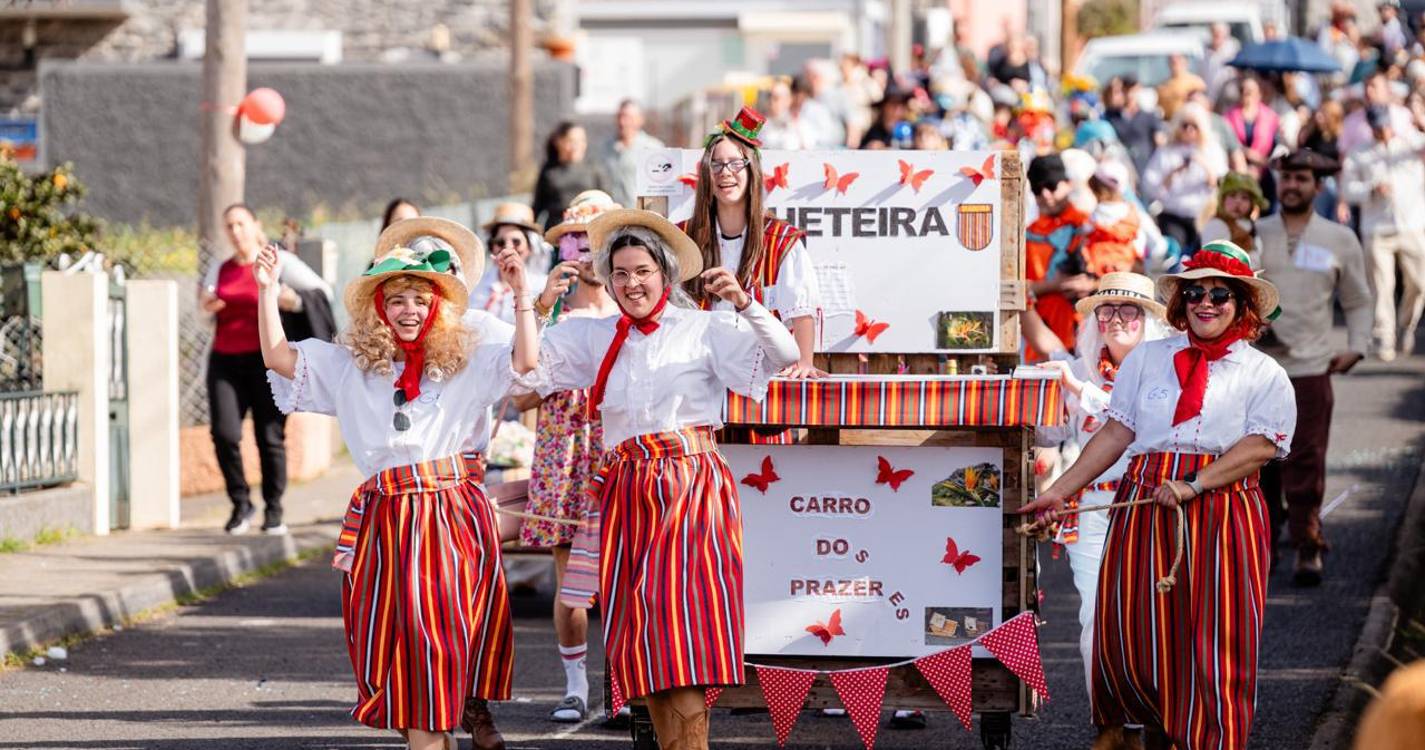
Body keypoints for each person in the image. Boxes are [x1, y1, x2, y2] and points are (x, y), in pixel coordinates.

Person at [513, 209, 799, 749]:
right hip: (627, 493)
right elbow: (524, 370)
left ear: (664, 273)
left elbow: (783, 355)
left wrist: (742, 302)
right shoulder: (593, 334)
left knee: (684, 642)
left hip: (690, 489)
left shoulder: (705, 327)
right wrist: (536, 302)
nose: (631, 283)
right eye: (619, 273)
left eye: (641, 271)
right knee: (647, 646)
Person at [258, 218, 537, 750]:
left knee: (440, 638)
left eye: (418, 298)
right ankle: (431, 735)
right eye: (397, 299)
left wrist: (524, 296)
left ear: (437, 307)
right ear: (379, 308)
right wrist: (267, 292)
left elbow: (526, 363)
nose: (408, 310)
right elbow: (278, 356)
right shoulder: (350, 366)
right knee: (400, 641)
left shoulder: (466, 358)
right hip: (386, 518)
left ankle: (441, 728)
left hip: (448, 510)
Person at [1021, 240, 1296, 750]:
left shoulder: (1264, 373)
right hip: (1146, 504)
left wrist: (1195, 484)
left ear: (1241, 306)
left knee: (1217, 634)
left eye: (1220, 293)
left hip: (1223, 509)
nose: (1205, 303)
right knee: (1135, 633)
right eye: (1195, 292)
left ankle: (1211, 739)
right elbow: (1114, 434)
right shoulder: (1148, 359)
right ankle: (1152, 731)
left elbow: (1260, 446)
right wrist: (1057, 492)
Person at [1035, 273, 1170, 693]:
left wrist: (1078, 389)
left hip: (1147, 508)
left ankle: (1152, 714)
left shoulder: (1165, 371)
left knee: (1150, 614)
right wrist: (1026, 402)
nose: (1115, 318)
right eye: (1106, 309)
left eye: (1128, 310)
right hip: (1091, 510)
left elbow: (1138, 425)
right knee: (1096, 614)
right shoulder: (1079, 369)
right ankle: (1109, 720)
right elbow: (1050, 435)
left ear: (1147, 319)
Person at [521, 190, 623, 724]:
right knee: (572, 582)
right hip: (563, 448)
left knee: (625, 577)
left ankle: (625, 687)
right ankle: (575, 685)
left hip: (615, 446)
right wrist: (539, 314)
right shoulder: (552, 310)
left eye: (594, 238)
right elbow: (519, 394)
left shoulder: (632, 300)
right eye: (577, 240)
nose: (585, 251)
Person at [1256, 149, 1373, 585]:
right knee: (1258, 463)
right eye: (1285, 178)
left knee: (1305, 459)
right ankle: (1264, 545)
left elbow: (1358, 299)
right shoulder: (1254, 230)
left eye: (1301, 179)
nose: (1291, 186)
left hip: (1310, 365)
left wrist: (1357, 346)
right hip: (1256, 368)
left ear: (1316, 185)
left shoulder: (1339, 238)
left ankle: (1308, 544)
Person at [199, 203, 332, 536]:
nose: (235, 232)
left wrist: (291, 300)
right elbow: (205, 310)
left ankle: (274, 508)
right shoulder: (220, 267)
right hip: (225, 359)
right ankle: (241, 504)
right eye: (229, 226)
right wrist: (206, 307)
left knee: (269, 436)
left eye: (241, 224)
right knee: (225, 433)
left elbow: (320, 293)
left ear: (255, 225)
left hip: (268, 361)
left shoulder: (278, 261)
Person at [682, 107, 825, 378]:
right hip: (702, 377)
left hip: (763, 378)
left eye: (736, 163)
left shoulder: (781, 240)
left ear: (752, 171)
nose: (725, 172)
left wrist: (805, 362)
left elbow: (801, 309)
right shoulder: (686, 237)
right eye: (717, 164)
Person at [1342, 104, 1425, 361]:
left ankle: (1406, 325)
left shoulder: (1410, 145)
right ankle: (1385, 338)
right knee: (1382, 286)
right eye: (1377, 127)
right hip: (1377, 229)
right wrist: (1371, 189)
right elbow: (1348, 190)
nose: (1382, 131)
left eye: (1385, 125)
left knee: (1420, 284)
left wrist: (1421, 120)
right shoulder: (1359, 154)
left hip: (1412, 226)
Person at [1025, 154, 1096, 360]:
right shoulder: (1026, 236)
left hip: (1089, 334)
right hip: (1042, 340)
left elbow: (1129, 273)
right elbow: (1013, 288)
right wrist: (1053, 285)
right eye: (1037, 190)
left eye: (1051, 186)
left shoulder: (1090, 225)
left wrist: (1092, 285)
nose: (1046, 195)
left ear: (1068, 184)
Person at [1142, 103, 1228, 259]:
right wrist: (1175, 172)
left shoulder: (1212, 150)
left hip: (1203, 215)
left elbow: (1220, 182)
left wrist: (1203, 164)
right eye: (1185, 125)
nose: (1189, 130)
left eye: (1194, 126)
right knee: (1177, 256)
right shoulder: (1166, 151)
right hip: (1173, 214)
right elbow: (1151, 185)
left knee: (1204, 257)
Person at [473, 202, 551, 324]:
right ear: (492, 247)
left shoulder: (544, 286)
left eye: (516, 241)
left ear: (530, 247)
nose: (508, 248)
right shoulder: (475, 286)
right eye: (500, 242)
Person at [532, 122, 611, 230]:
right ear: (558, 142)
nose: (577, 146)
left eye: (581, 141)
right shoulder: (549, 171)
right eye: (571, 141)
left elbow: (607, 201)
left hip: (589, 231)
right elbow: (537, 206)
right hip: (557, 231)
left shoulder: (594, 169)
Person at [1084, 162, 1147, 276]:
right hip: (1125, 278)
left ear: (1094, 188)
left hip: (1097, 276)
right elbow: (1155, 247)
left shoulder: (1092, 216)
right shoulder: (1134, 215)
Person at [601, 99, 665, 208]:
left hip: (641, 216)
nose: (622, 122)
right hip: (612, 216)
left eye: (627, 117)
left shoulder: (653, 148)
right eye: (619, 117)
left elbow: (661, 188)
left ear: (640, 120)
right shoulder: (606, 147)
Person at [1104, 76, 1165, 177]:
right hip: (1121, 169)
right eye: (1126, 91)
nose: (1130, 95)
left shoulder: (1149, 116)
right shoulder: (1110, 116)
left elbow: (1159, 142)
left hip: (1145, 169)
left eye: (1133, 91)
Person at [1225, 75, 1280, 181]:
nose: (1246, 93)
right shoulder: (1229, 116)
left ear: (1259, 94)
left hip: (1263, 169)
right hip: (1236, 168)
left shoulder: (1271, 117)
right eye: (1242, 90)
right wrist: (1247, 154)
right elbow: (1227, 142)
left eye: (1249, 90)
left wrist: (1261, 162)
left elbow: (1276, 145)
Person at [1201, 172, 1269, 254]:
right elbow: (1213, 257)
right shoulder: (1217, 224)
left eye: (1244, 198)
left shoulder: (1253, 226)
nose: (1238, 202)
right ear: (1222, 200)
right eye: (1232, 195)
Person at [1155, 54, 1206, 122]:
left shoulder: (1195, 82)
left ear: (1185, 62)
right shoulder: (1163, 86)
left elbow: (1203, 104)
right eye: (1172, 60)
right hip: (1169, 122)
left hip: (1188, 123)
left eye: (1178, 59)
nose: (1175, 61)